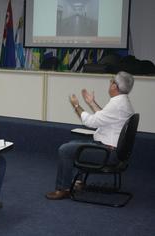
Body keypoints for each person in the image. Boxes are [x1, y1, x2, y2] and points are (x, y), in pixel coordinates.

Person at [46, 71, 135, 200]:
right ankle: (78, 182)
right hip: (114, 150)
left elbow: (91, 122)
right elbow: (104, 116)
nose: (109, 83)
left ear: (115, 86)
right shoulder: (123, 102)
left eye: (111, 81)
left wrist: (76, 106)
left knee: (64, 150)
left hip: (108, 154)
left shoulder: (117, 104)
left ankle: (63, 189)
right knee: (72, 145)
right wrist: (92, 103)